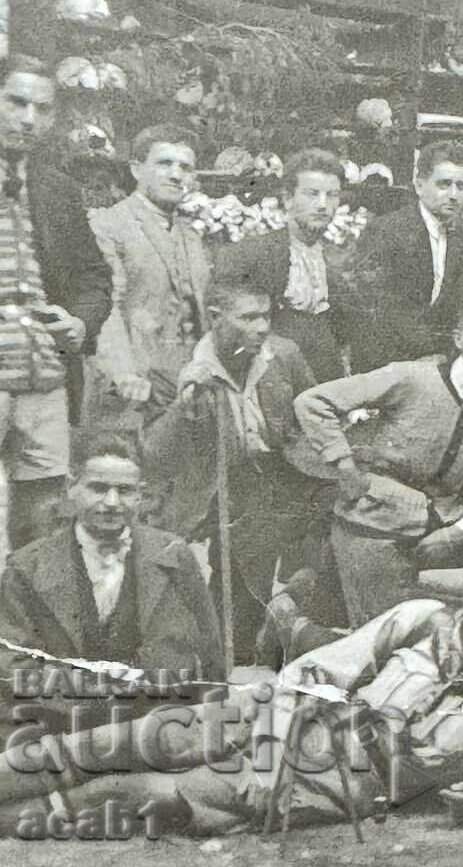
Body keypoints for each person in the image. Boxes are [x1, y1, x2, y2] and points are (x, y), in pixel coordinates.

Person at [0, 520, 463, 837]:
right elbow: (306, 675)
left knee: (137, 790)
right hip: (274, 717)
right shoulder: (420, 619)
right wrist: (270, 751)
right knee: (119, 742)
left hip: (335, 783)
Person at [293, 291, 463, 627]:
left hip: (439, 532)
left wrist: (459, 533)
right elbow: (313, 402)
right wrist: (344, 466)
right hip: (372, 526)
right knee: (388, 636)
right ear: (458, 337)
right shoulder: (413, 377)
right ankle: (294, 618)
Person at [141, 277, 335, 662]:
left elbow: (312, 418)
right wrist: (185, 406)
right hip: (209, 487)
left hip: (280, 476)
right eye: (249, 318)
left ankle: (260, 642)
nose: (262, 327)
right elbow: (155, 457)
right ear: (215, 318)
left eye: (266, 317)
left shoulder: (283, 354)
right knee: (234, 557)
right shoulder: (172, 367)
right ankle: (231, 653)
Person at [0, 434, 224, 703]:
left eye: (125, 491)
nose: (112, 502)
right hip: (63, 727)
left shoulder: (174, 557)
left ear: (140, 495)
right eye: (98, 488)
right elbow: (11, 665)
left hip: (157, 722)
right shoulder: (26, 568)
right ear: (72, 487)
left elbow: (210, 651)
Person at [0, 56, 112, 552]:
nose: (28, 118)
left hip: (45, 380)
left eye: (41, 109)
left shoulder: (58, 189)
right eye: (16, 103)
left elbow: (93, 276)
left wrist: (80, 324)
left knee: (42, 523)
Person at [89, 124, 209, 416]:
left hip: (189, 382)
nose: (176, 175)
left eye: (186, 167)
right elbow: (106, 309)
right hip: (134, 383)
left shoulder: (191, 235)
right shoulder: (108, 225)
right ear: (136, 169)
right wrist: (123, 372)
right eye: (164, 163)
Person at [215, 149, 349, 383]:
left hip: (326, 386)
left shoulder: (336, 260)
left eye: (332, 195)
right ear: (288, 198)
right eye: (311, 194)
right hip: (268, 384)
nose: (322, 205)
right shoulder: (251, 255)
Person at [347, 140, 463, 372]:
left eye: (462, 186)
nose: (454, 195)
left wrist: (443, 356)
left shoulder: (459, 240)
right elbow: (375, 307)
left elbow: (453, 308)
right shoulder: (386, 231)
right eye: (444, 184)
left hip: (435, 365)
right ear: (419, 185)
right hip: (384, 364)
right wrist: (421, 358)